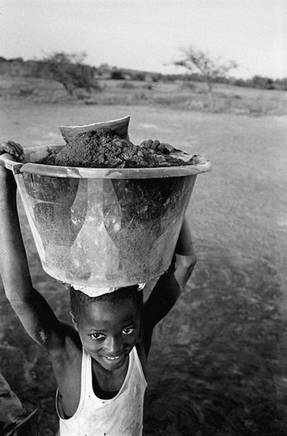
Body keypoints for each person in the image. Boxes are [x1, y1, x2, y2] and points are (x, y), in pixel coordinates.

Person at [0, 140, 197, 436]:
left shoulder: (138, 342)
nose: (115, 347)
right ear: (74, 321)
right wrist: (5, 190)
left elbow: (184, 264)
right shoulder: (68, 357)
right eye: (97, 335)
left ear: (139, 320)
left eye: (128, 329)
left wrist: (170, 193)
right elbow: (21, 297)